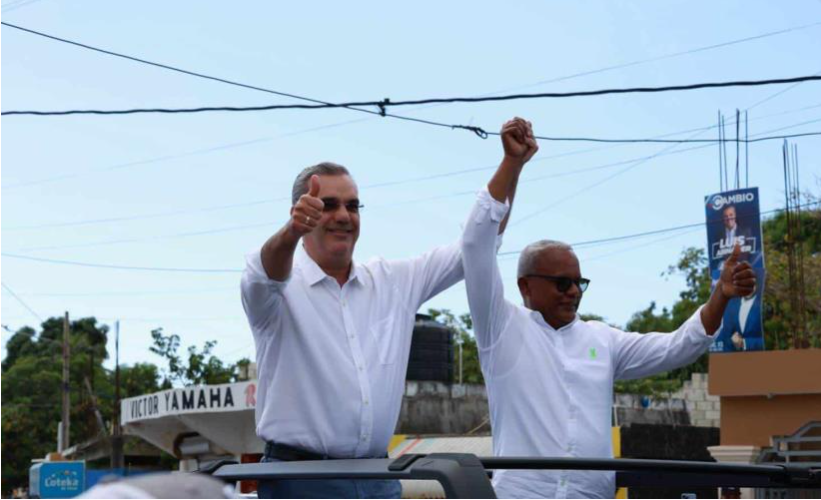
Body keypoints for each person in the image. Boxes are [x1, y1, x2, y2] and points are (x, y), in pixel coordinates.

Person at [240, 118, 536, 499]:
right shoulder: (278, 290)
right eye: (327, 205)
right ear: (299, 210)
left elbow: (474, 247)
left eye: (352, 205)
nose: (343, 216)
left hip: (379, 476)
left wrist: (511, 165)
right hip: (301, 479)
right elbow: (263, 274)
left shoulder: (390, 281)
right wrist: (290, 232)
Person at [461, 137, 756, 498]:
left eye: (579, 283)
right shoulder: (500, 328)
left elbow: (677, 347)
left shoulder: (602, 339)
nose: (573, 291)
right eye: (562, 283)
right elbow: (476, 244)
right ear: (525, 286)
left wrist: (721, 295)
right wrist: (513, 164)